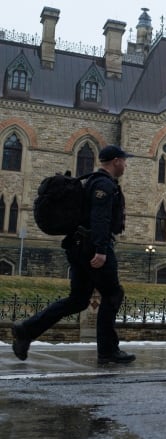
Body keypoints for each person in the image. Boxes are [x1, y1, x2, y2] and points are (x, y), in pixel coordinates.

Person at [12, 145, 135, 364]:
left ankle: (26, 330)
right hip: (91, 247)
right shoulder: (104, 185)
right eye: (124, 161)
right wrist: (101, 250)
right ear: (116, 161)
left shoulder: (90, 181)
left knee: (78, 300)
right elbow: (100, 219)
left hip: (77, 246)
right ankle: (108, 350)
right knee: (113, 294)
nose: (125, 165)